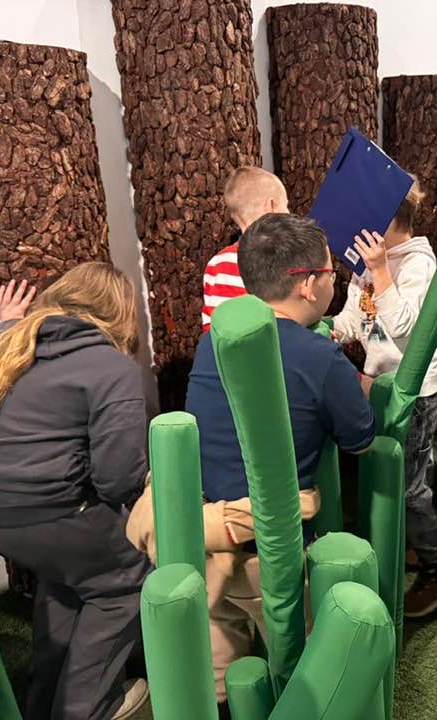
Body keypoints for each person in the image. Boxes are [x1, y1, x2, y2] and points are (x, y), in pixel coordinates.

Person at [137, 213, 374, 704]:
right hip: (267, 554)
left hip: (195, 543)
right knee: (308, 678)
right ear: (308, 284)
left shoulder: (211, 343)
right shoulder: (321, 359)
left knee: (216, 684)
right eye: (330, 273)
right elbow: (361, 441)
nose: (334, 281)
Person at [0, 264, 150, 720]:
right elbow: (117, 479)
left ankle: (44, 703)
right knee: (127, 577)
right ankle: (87, 707)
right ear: (120, 315)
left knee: (70, 570)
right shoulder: (111, 366)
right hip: (35, 510)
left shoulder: (3, 339)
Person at [332, 179, 437, 619]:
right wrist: (334, 330)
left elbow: (405, 325)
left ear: (390, 220)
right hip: (380, 384)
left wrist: (381, 271)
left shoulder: (417, 263)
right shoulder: (370, 264)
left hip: (416, 392)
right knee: (395, 475)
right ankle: (413, 543)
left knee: (410, 488)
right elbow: (357, 314)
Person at [201, 166, 290, 331]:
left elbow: (211, 328)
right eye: (286, 206)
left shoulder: (216, 264)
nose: (289, 212)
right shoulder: (282, 260)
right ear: (272, 207)